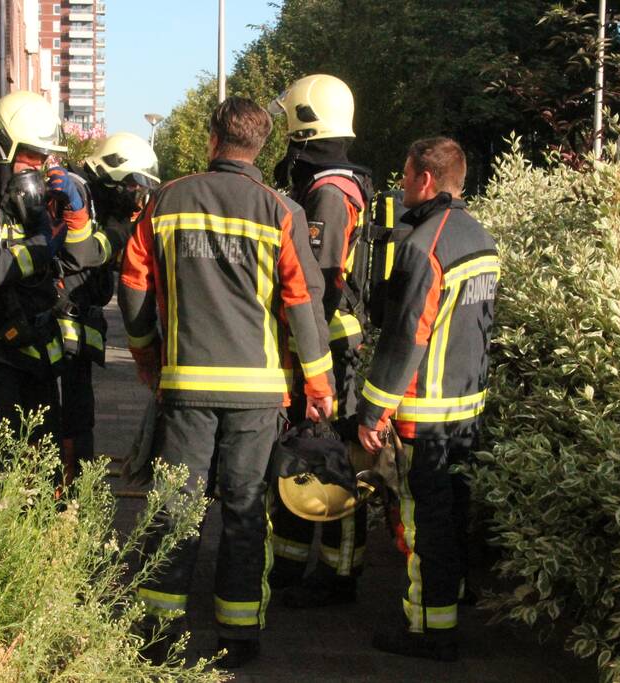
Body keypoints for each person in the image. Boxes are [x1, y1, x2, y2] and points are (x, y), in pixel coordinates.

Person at [119, 96, 335, 669]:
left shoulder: (166, 200)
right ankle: (238, 637)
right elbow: (300, 303)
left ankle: (160, 630)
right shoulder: (278, 211)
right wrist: (319, 384)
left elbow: (133, 285)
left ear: (213, 140)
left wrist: (146, 354)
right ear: (260, 148)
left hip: (186, 385)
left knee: (174, 507)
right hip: (258, 394)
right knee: (243, 510)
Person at [356, 137, 499, 662]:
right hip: (466, 410)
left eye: (407, 173)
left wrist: (373, 410)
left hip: (425, 415)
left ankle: (428, 631)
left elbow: (405, 338)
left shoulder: (424, 246)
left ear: (426, 179)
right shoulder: (480, 238)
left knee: (426, 526)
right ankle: (451, 598)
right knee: (454, 515)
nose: (402, 182)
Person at [0, 90, 109, 459]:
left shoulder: (26, 200)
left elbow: (74, 260)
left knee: (44, 472)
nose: (38, 164)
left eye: (43, 156)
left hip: (36, 355)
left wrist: (75, 214)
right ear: (2, 145)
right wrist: (41, 245)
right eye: (31, 154)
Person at [267, 73, 374, 607]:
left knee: (333, 463)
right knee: (304, 454)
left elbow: (322, 282)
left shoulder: (330, 194)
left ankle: (339, 575)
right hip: (321, 345)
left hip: (331, 348)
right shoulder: (330, 183)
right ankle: (287, 564)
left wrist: (311, 358)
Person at [56, 133, 160, 484]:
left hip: (76, 327)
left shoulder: (94, 197)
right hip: (58, 331)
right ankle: (64, 506)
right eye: (134, 188)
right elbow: (82, 253)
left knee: (80, 420)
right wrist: (119, 234)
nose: (136, 198)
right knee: (70, 423)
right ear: (114, 176)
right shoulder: (75, 191)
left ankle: (72, 501)